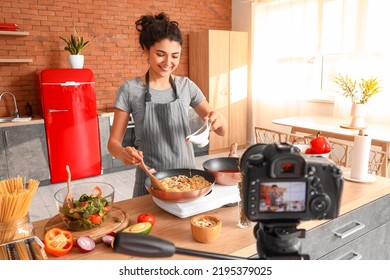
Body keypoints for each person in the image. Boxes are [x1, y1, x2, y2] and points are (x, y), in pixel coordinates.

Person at [108, 12, 227, 197]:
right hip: (150, 183)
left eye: (175, 56)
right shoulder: (130, 89)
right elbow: (112, 144)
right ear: (146, 50)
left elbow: (222, 131)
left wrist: (219, 119)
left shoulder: (186, 86)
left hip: (189, 182)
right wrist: (123, 153)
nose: (168, 63)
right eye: (160, 54)